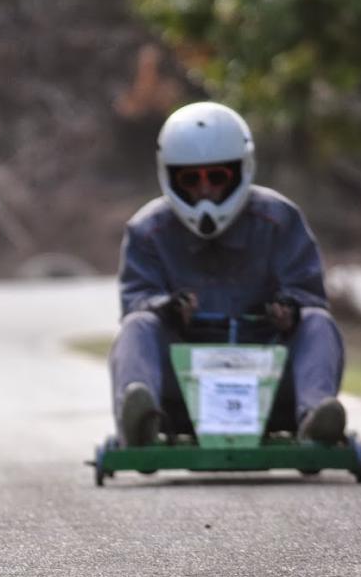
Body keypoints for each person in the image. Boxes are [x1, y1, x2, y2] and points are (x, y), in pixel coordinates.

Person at [109, 101, 347, 446]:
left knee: (318, 322)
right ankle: (140, 422)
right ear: (171, 177)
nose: (205, 190)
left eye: (217, 177)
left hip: (269, 375)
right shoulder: (148, 231)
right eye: (191, 179)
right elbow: (137, 300)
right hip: (183, 385)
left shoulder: (279, 220)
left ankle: (314, 417)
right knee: (137, 326)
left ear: (241, 171)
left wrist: (289, 311)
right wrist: (166, 309)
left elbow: (308, 293)